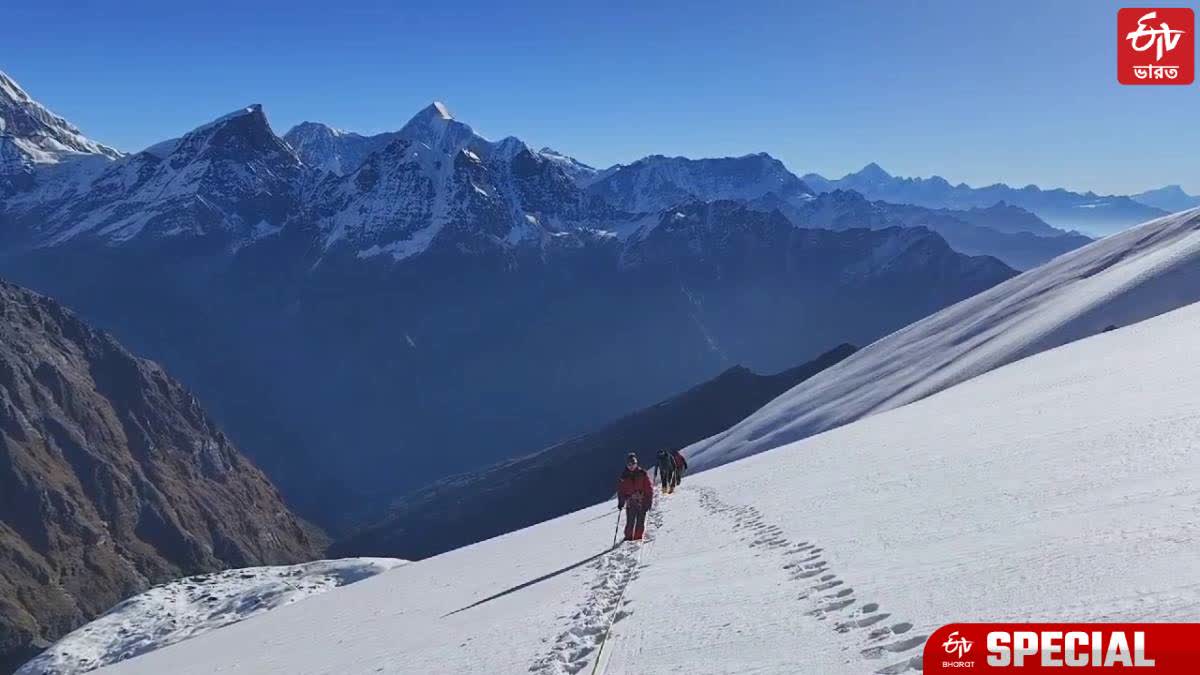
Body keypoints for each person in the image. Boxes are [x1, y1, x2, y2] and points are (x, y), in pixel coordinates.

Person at [616, 452, 654, 541]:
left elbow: (648, 488)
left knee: (640, 521)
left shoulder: (642, 473)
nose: (631, 466)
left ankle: (637, 538)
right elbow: (621, 491)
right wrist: (621, 502)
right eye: (629, 464)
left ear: (636, 464)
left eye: (633, 464)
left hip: (642, 501)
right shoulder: (624, 476)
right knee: (630, 522)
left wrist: (649, 501)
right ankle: (628, 539)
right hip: (630, 502)